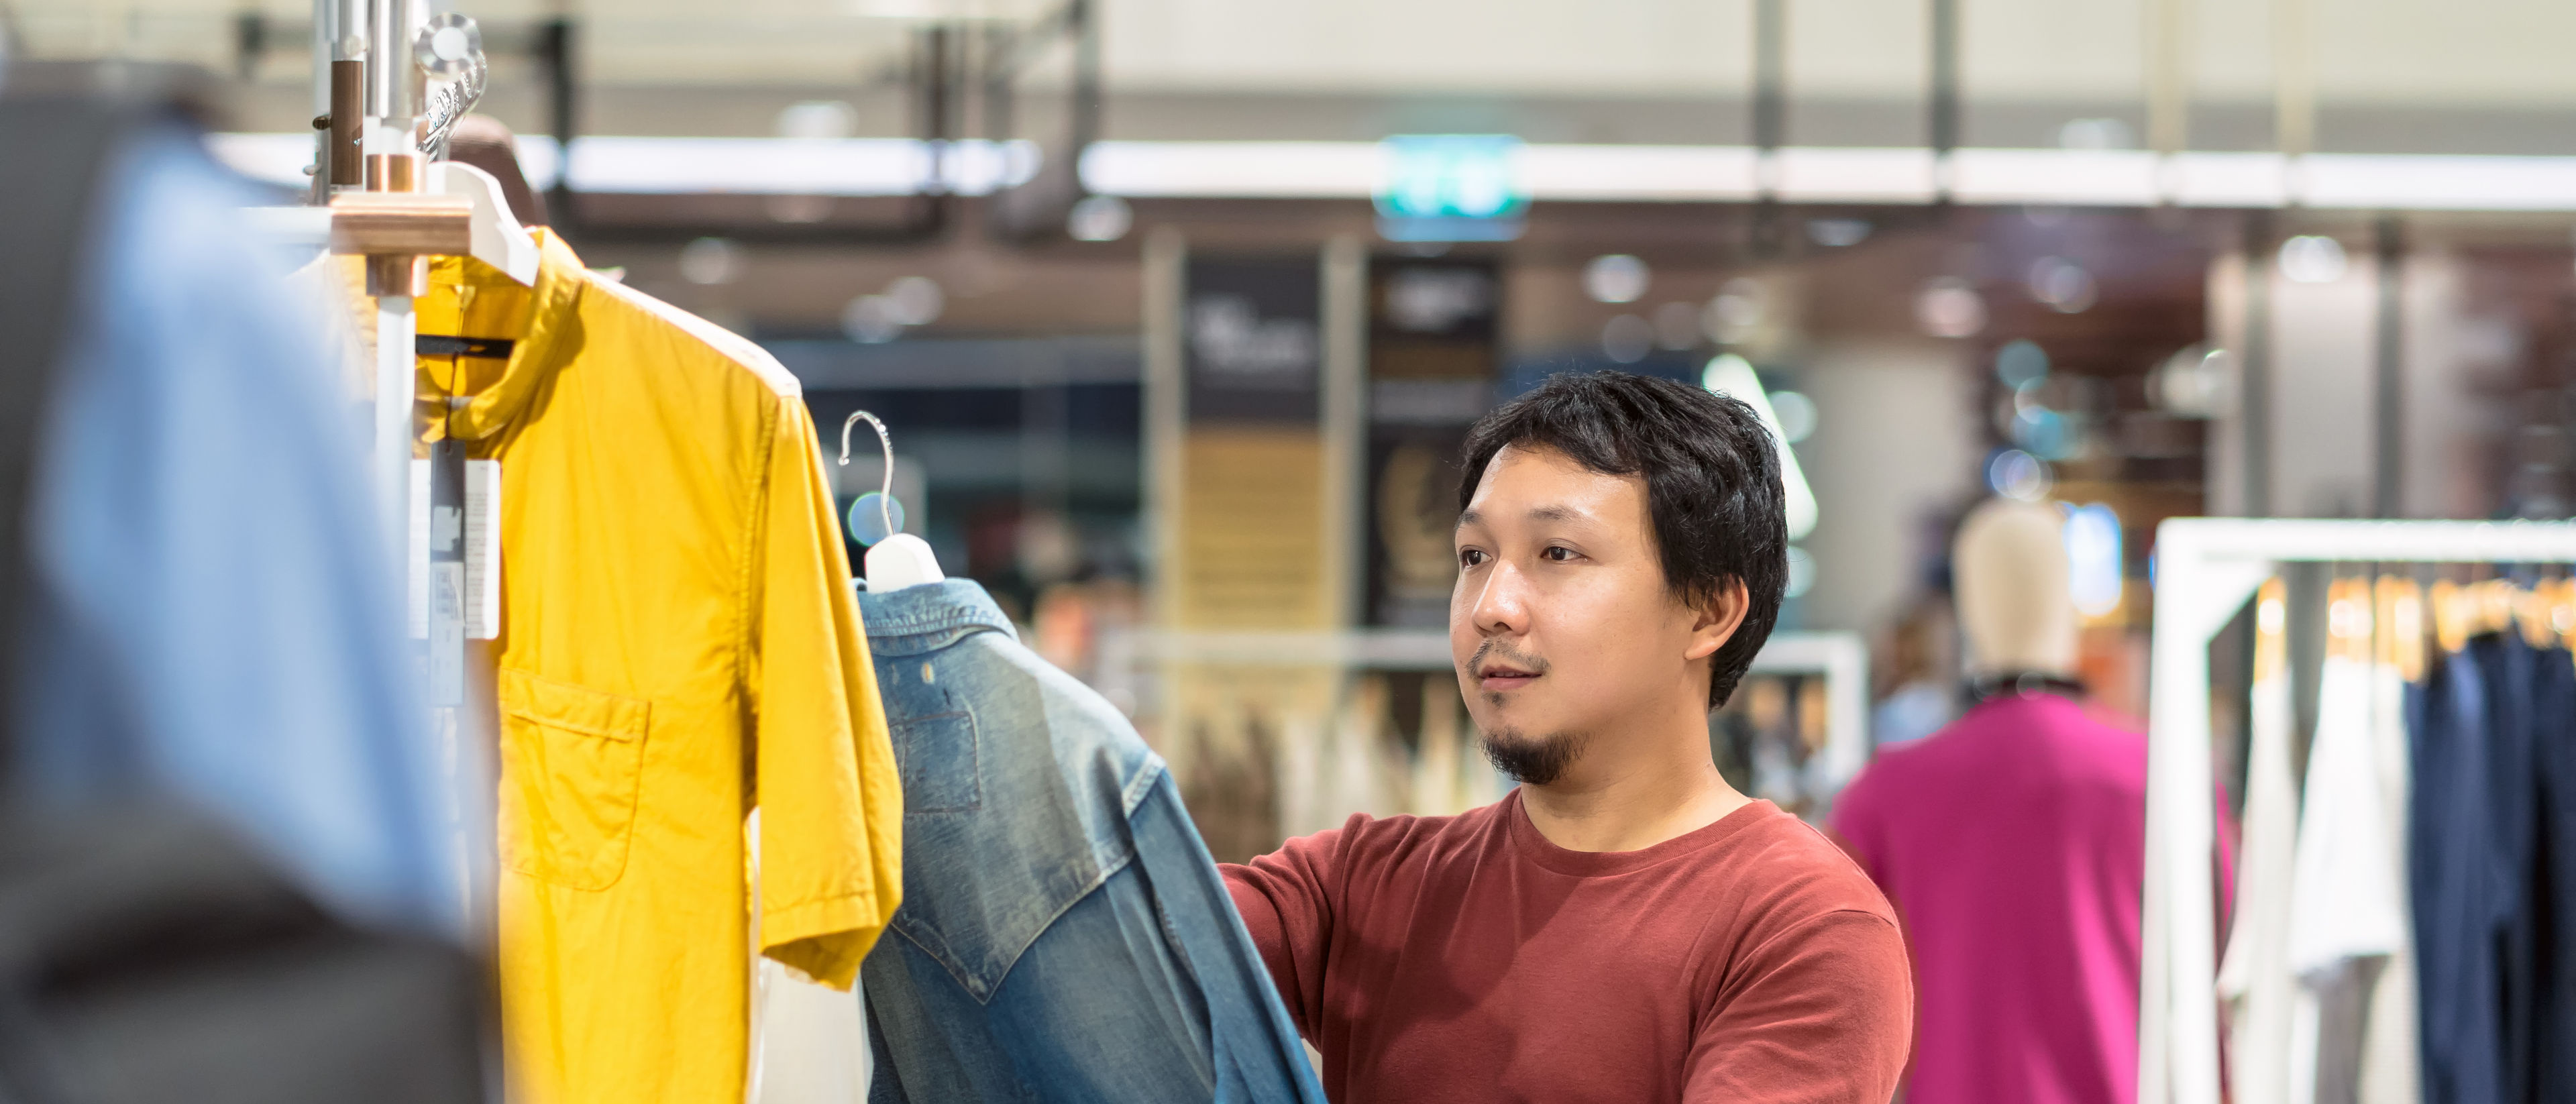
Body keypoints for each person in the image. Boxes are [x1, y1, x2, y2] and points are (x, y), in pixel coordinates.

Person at [1222, 371, 1914, 1103]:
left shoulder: (1803, 928)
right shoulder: (1365, 882)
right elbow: (1121, 949)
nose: (1492, 607)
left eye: (1558, 553)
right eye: (1474, 556)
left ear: (1709, 610)